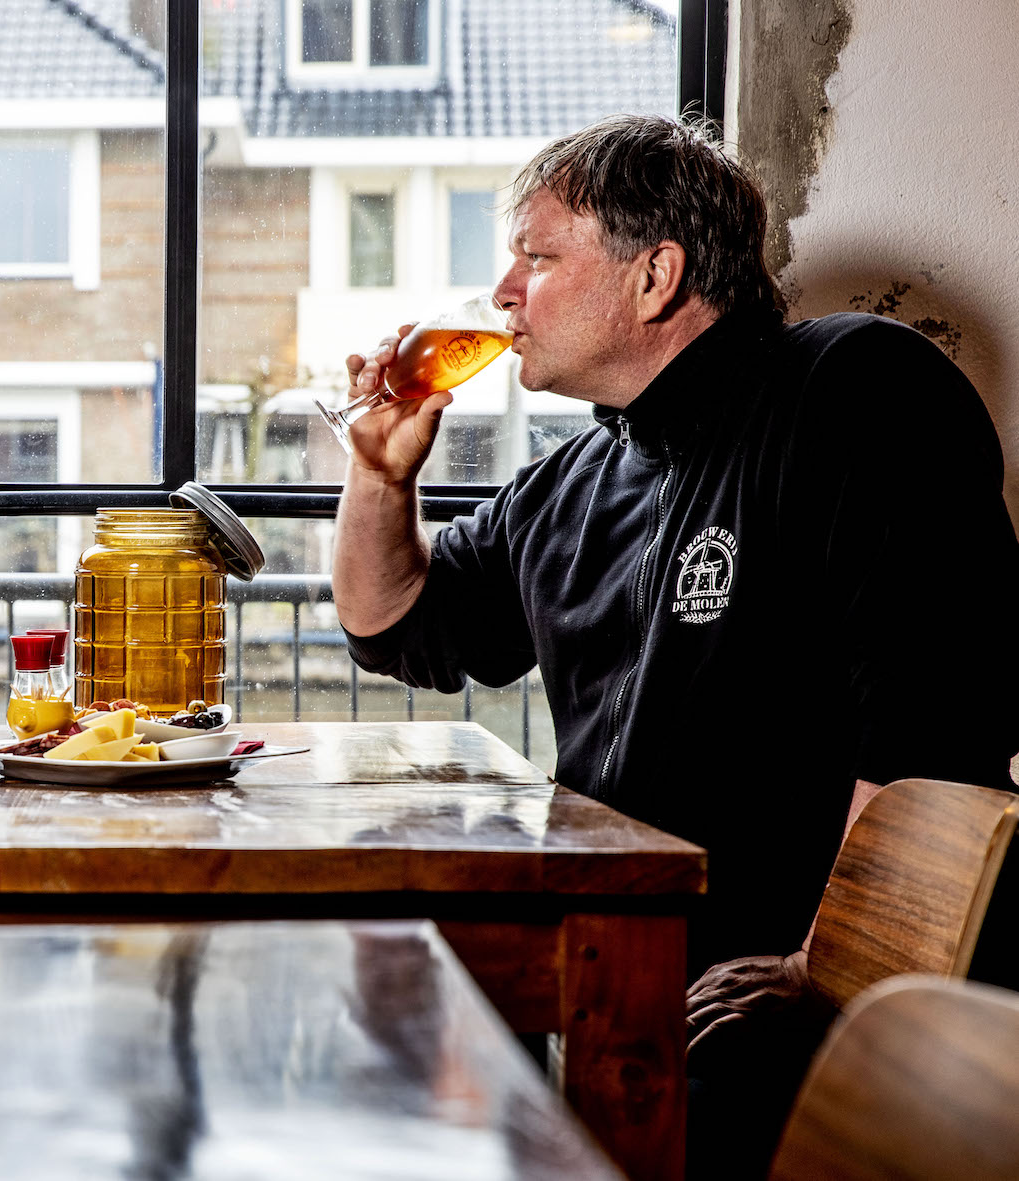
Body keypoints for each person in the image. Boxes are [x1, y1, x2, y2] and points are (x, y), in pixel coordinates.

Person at [332, 113, 1019, 1175]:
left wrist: (821, 969)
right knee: (378, 1039)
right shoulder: (569, 483)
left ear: (654, 276)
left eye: (536, 256)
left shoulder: (852, 388)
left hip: (787, 1003)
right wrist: (379, 476)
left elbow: (937, 727)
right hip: (616, 959)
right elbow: (395, 627)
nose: (504, 292)